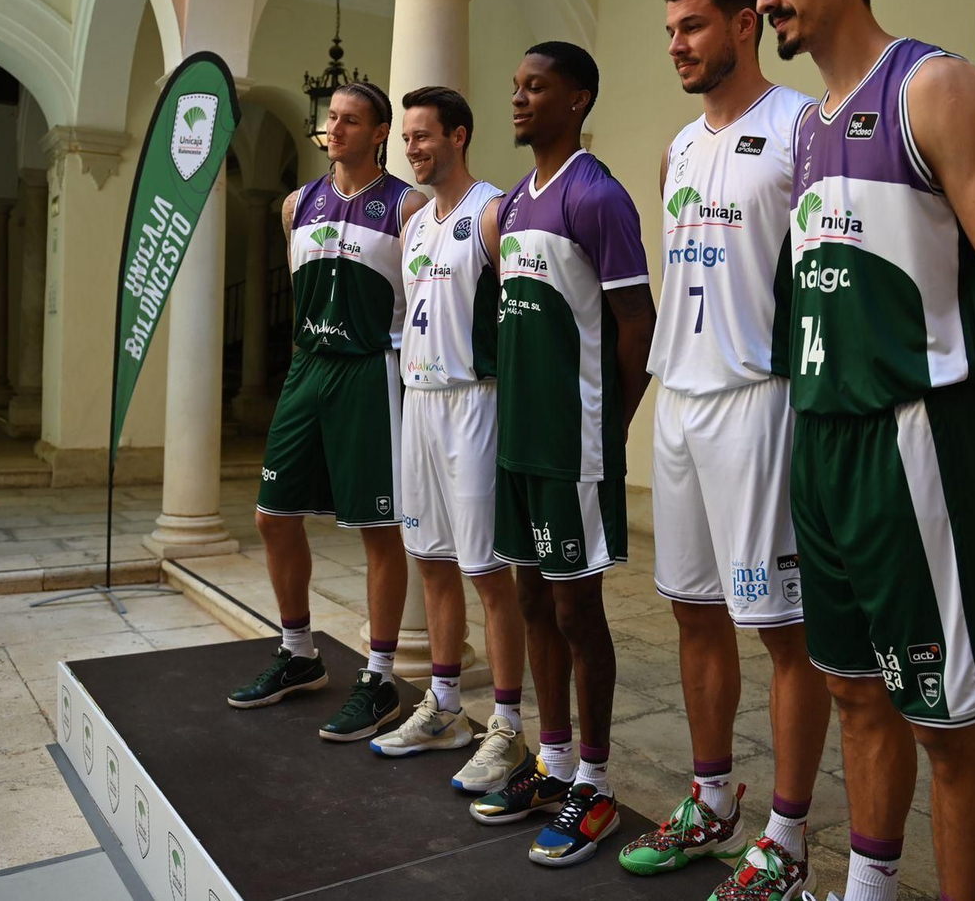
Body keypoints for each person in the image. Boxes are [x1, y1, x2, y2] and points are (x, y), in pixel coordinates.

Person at [747, 0, 975, 901]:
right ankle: (869, 888)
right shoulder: (803, 133)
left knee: (946, 720)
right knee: (850, 687)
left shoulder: (934, 88)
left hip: (912, 440)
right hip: (822, 440)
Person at [616, 0, 831, 901]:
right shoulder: (675, 148)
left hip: (761, 400)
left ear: (746, 24)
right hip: (682, 399)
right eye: (670, 31)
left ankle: (787, 839)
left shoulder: (799, 130)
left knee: (783, 628)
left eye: (694, 27)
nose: (677, 45)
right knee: (692, 611)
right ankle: (711, 803)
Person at [467, 42, 656, 869]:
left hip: (575, 443)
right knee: (532, 600)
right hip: (521, 446)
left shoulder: (598, 195)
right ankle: (551, 764)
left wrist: (607, 432)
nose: (518, 99)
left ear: (577, 99)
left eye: (534, 87)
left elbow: (637, 327)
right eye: (515, 86)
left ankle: (598, 783)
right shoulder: (510, 203)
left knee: (580, 613)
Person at [228, 82, 428, 744]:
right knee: (272, 515)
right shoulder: (296, 204)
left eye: (350, 120)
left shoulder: (408, 205)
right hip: (307, 367)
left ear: (379, 133)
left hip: (372, 371)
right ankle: (299, 652)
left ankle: (378, 676)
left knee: (377, 527)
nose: (334, 128)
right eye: (330, 118)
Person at [367, 86, 531, 794]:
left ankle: (507, 725)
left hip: (475, 402)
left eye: (424, 136)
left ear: (459, 136)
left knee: (488, 574)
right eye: (407, 138)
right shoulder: (413, 226)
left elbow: (524, 322)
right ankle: (443, 709)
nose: (412, 148)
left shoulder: (492, 213)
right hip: (421, 403)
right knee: (429, 559)